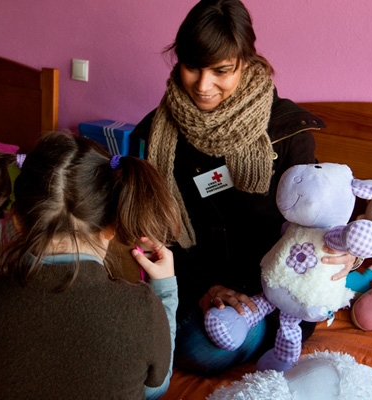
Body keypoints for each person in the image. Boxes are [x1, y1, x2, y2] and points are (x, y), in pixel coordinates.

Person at [131, 0, 356, 376]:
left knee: (202, 349)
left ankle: (258, 329)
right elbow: (153, 231)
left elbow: (317, 216)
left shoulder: (287, 131)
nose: (203, 86)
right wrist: (206, 289)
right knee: (162, 342)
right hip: (192, 283)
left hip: (274, 288)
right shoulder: (156, 132)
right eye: (191, 67)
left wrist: (345, 251)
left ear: (246, 62)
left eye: (221, 70)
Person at [0, 131, 182, 399]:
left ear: (17, 221)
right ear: (113, 225)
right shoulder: (141, 306)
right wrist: (165, 290)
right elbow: (156, 386)